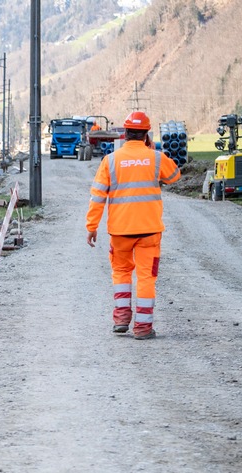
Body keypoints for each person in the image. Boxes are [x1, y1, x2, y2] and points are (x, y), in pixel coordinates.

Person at [86, 110, 181, 339]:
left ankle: (121, 319)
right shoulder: (156, 158)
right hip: (150, 230)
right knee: (146, 277)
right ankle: (143, 328)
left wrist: (91, 227)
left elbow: (97, 196)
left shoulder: (110, 161)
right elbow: (175, 176)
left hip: (120, 231)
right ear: (146, 134)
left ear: (125, 133)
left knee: (121, 272)